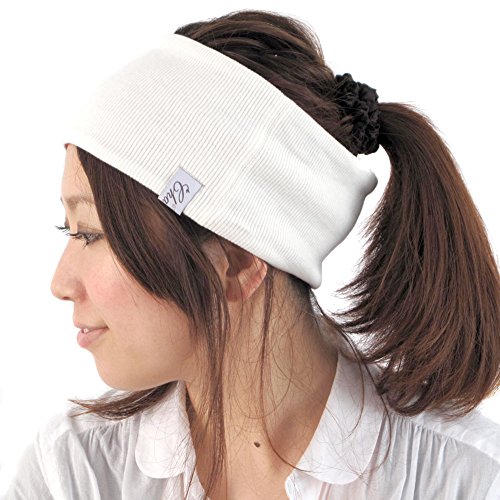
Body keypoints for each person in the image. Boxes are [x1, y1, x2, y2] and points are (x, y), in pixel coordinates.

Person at [5, 8, 500, 500]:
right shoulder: (72, 473)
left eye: (91, 233)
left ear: (238, 263)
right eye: (67, 228)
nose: (60, 283)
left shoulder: (469, 481)